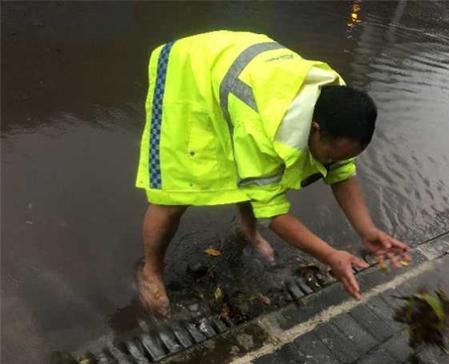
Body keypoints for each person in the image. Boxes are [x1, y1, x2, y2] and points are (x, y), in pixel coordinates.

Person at [135, 31, 410, 317]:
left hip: (242, 70)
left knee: (253, 173)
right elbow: (273, 210)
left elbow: (341, 172)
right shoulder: (261, 128)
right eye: (331, 155)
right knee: (174, 191)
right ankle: (151, 270)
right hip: (190, 72)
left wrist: (367, 231)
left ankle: (247, 229)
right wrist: (329, 255)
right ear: (315, 129)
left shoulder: (341, 105)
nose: (334, 163)